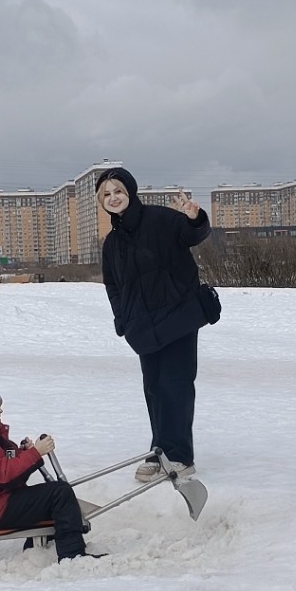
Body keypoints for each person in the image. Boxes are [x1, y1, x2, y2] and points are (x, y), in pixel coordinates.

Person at [97, 166, 212, 481]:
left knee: (175, 386)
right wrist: (123, 320)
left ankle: (179, 457)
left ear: (130, 192)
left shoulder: (160, 219)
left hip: (178, 317)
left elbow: (193, 234)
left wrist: (194, 217)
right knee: (154, 390)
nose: (113, 198)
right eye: (106, 194)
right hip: (143, 327)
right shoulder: (112, 244)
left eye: (118, 191)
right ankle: (160, 449)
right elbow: (113, 287)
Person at [0, 379, 105, 560]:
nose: (0, 410)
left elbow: (5, 463)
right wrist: (36, 452)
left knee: (52, 496)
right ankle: (72, 555)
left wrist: (23, 452)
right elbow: (3, 475)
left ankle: (36, 550)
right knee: (59, 493)